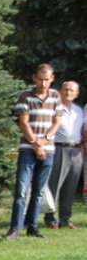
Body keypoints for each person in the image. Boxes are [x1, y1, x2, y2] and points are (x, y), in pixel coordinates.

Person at [5, 64, 63, 240]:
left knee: (38, 191)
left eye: (47, 79)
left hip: (49, 149)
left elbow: (57, 122)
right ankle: (15, 228)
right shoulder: (26, 96)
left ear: (52, 78)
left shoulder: (55, 97)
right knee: (22, 190)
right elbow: (23, 122)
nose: (44, 83)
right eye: (40, 79)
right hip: (28, 150)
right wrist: (36, 145)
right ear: (34, 78)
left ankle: (32, 225)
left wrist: (44, 142)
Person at [43, 81, 83, 229]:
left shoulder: (78, 111)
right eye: (65, 89)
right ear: (60, 91)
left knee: (70, 187)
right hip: (58, 149)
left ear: (76, 94)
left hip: (76, 151)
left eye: (72, 90)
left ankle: (65, 219)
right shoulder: (53, 108)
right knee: (55, 185)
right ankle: (51, 219)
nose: (68, 93)